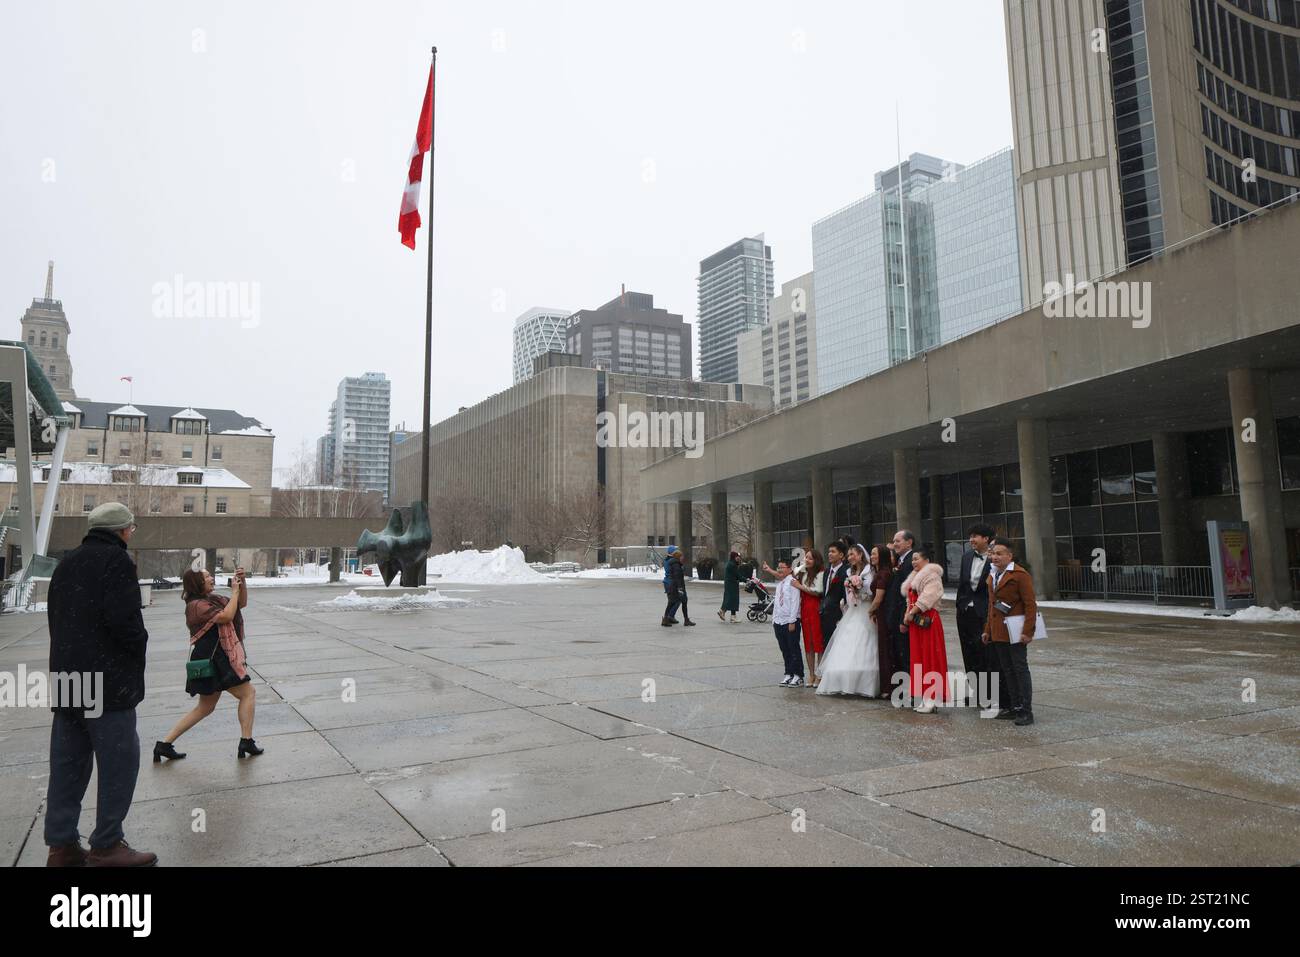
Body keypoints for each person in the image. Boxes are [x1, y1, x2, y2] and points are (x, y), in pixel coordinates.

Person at [44, 502, 157, 867]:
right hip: (107, 685)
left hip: (69, 681)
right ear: (123, 531)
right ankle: (107, 844)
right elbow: (126, 625)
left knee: (68, 765)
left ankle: (61, 847)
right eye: (131, 529)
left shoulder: (66, 564)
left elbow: (57, 622)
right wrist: (138, 648)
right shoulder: (117, 562)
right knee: (119, 763)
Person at [154, 567, 262, 760]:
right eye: (206, 577)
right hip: (214, 658)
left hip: (216, 656)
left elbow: (239, 604)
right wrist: (235, 592)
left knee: (205, 707)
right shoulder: (195, 605)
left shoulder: (213, 600)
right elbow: (227, 616)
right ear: (197, 583)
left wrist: (241, 585)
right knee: (248, 693)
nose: (211, 578)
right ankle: (246, 741)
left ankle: (164, 744)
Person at [983, 539, 1037, 726]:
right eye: (993, 553)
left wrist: (1028, 631)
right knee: (1007, 670)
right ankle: (1014, 707)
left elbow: (1030, 604)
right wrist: (987, 629)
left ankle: (1025, 710)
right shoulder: (993, 574)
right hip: (998, 631)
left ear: (1009, 556)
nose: (995, 557)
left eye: (999, 554)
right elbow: (992, 606)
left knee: (1019, 669)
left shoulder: (1019, 575)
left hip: (1015, 629)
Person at [816, 544, 880, 697]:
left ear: (860, 555)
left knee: (865, 643)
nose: (850, 557)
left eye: (853, 554)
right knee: (846, 643)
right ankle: (841, 681)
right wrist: (851, 590)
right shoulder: (849, 571)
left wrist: (859, 590)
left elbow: (872, 592)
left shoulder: (869, 571)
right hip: (853, 609)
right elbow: (846, 594)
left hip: (866, 608)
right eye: (849, 555)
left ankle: (865, 684)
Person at [901, 547, 950, 714]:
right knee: (919, 658)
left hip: (928, 620)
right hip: (916, 622)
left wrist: (912, 612)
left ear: (927, 560)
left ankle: (933, 697)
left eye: (917, 558)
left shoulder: (932, 575)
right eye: (912, 559)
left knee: (931, 658)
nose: (914, 562)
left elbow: (928, 597)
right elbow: (910, 600)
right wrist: (907, 616)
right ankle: (924, 696)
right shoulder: (914, 578)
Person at [955, 524, 996, 709]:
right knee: (969, 653)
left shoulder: (995, 558)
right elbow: (963, 586)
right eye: (970, 536)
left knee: (986, 654)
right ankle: (976, 693)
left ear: (986, 538)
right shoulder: (966, 557)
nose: (971, 539)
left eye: (975, 536)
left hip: (984, 614)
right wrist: (960, 605)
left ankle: (989, 695)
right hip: (965, 612)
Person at [882, 529, 915, 704]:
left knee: (905, 655)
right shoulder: (900, 561)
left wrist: (905, 618)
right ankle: (902, 690)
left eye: (898, 541)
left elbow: (909, 594)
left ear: (909, 542)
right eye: (894, 541)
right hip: (893, 614)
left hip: (903, 616)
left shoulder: (911, 562)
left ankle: (910, 691)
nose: (894, 544)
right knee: (898, 654)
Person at [764, 558, 803, 687]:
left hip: (790, 621)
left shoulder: (793, 582)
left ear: (790, 569)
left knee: (793, 648)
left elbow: (795, 603)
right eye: (778, 567)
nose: (779, 570)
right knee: (784, 649)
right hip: (779, 622)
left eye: (782, 567)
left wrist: (792, 620)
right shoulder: (780, 584)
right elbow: (777, 604)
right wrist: (774, 620)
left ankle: (798, 675)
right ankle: (789, 673)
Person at [790, 549, 826, 686]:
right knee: (808, 643)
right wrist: (802, 566)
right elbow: (794, 572)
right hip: (805, 610)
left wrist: (800, 586)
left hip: (816, 609)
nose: (807, 560)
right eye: (806, 558)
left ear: (816, 560)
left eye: (810, 558)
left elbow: (817, 592)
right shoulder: (804, 573)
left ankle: (819, 674)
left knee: (818, 643)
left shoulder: (821, 573)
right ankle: (811, 674)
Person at [867, 544, 896, 699]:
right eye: (871, 554)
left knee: (885, 650)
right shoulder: (880, 573)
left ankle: (888, 687)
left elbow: (878, 599)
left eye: (874, 554)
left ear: (882, 556)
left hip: (883, 613)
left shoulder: (883, 574)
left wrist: (870, 611)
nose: (872, 557)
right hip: (880, 613)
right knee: (883, 649)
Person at [819, 540, 849, 654]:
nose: (829, 554)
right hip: (825, 615)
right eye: (828, 552)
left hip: (838, 615)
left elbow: (846, 596)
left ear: (841, 555)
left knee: (838, 647)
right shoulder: (827, 572)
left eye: (833, 551)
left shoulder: (846, 571)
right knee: (827, 645)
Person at [660, 546, 694, 626]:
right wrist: (680, 588)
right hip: (672, 584)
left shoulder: (670, 561)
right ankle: (669, 617)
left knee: (674, 602)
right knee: (675, 602)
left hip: (671, 584)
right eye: (681, 556)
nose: (683, 557)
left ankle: (668, 617)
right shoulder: (674, 563)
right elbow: (677, 576)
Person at [717, 551, 741, 623]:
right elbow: (737, 575)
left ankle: (731, 616)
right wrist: (746, 580)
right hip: (732, 584)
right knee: (731, 599)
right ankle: (722, 611)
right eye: (737, 557)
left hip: (730, 584)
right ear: (734, 557)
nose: (739, 558)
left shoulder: (732, 563)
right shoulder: (732, 565)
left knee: (731, 599)